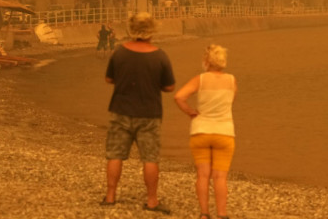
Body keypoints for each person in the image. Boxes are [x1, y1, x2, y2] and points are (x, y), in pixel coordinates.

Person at [101, 12, 175, 215]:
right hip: (149, 114)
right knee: (150, 158)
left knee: (115, 155)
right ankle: (152, 201)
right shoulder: (160, 55)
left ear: (130, 30)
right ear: (152, 30)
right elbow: (169, 87)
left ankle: (110, 197)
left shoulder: (119, 53)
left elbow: (109, 79)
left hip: (120, 110)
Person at [174, 44, 237, 219]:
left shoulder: (200, 79)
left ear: (207, 60)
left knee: (202, 175)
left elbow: (179, 97)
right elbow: (231, 101)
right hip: (224, 132)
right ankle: (222, 214)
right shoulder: (231, 80)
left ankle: (204, 213)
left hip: (200, 131)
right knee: (220, 177)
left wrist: (190, 111)